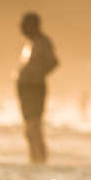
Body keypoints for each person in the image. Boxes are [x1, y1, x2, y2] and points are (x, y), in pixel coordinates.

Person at [17, 12, 58, 163]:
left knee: (34, 128)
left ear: (33, 25)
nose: (20, 27)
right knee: (29, 130)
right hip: (27, 88)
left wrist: (36, 75)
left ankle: (40, 161)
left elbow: (53, 62)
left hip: (34, 88)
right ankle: (34, 160)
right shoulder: (31, 43)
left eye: (24, 24)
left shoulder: (43, 42)